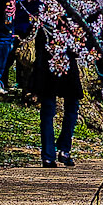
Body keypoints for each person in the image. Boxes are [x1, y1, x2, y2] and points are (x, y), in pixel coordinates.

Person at [30, 9, 81, 167]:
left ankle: (49, 155)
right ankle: (62, 150)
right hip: (58, 68)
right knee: (67, 110)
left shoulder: (45, 20)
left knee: (51, 112)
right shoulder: (71, 18)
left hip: (49, 68)